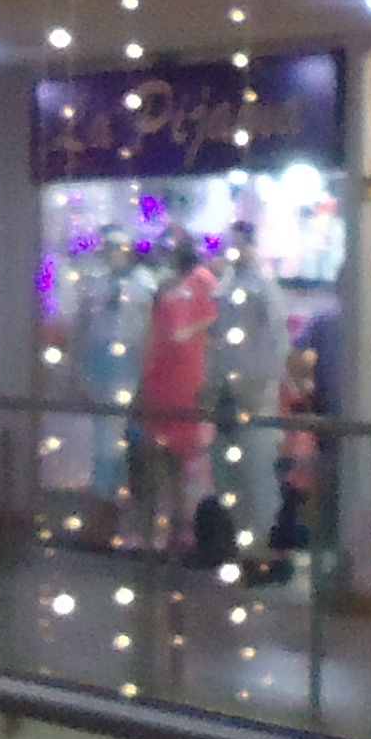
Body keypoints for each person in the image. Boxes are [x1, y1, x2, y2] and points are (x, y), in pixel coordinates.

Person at [140, 233, 219, 558]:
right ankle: (171, 529)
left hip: (185, 380)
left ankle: (184, 530)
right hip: (166, 380)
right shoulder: (171, 287)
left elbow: (186, 329)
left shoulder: (200, 283)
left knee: (186, 458)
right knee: (168, 456)